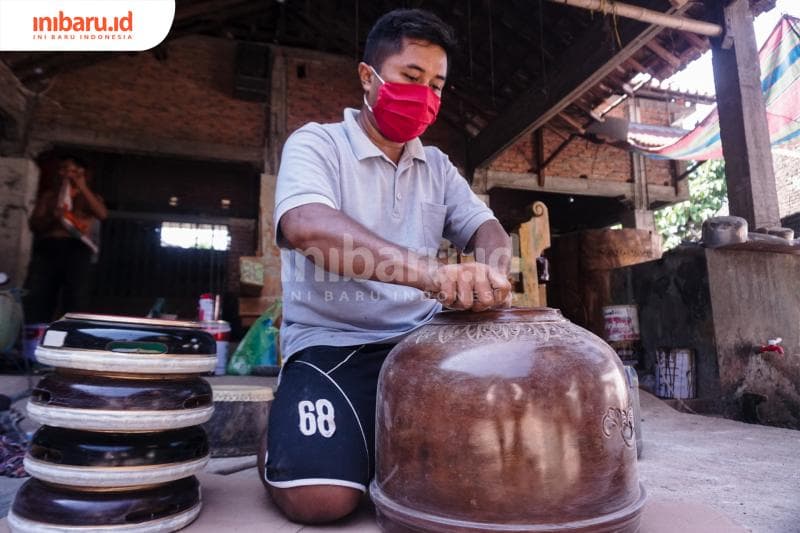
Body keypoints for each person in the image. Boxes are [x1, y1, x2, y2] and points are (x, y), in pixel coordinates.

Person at [258, 9, 512, 524]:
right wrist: (431, 275)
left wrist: (492, 273)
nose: (425, 96)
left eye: (437, 85)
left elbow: (486, 230)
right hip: (331, 344)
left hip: (421, 346)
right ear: (368, 77)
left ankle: (368, 444)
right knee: (321, 502)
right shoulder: (317, 144)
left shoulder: (437, 166)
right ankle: (278, 432)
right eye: (411, 78)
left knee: (497, 463)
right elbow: (307, 225)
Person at [23, 155, 108, 323]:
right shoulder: (49, 197)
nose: (67, 174)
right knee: (40, 294)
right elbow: (34, 225)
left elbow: (102, 214)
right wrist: (53, 218)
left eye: (74, 171)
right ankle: (36, 334)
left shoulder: (89, 197)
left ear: (84, 173)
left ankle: (70, 336)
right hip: (49, 248)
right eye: (64, 169)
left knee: (76, 296)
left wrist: (82, 186)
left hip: (77, 248)